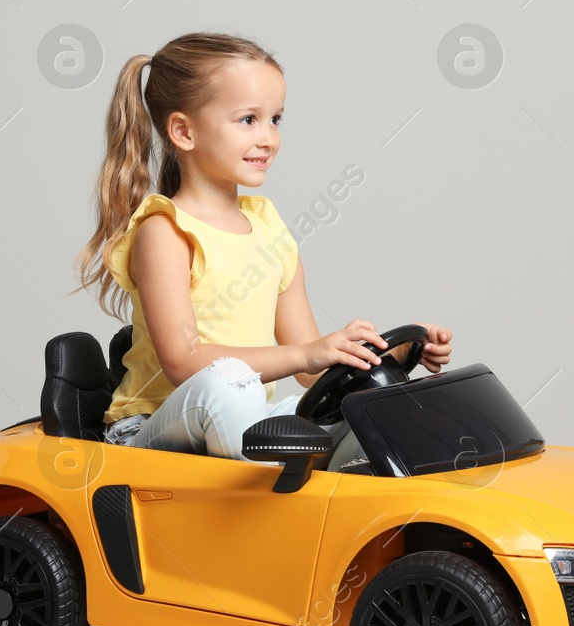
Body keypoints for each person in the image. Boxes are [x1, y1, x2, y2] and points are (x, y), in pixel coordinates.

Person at [74, 32, 452, 469]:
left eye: (276, 119)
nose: (268, 138)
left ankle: (329, 503)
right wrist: (309, 353)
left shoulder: (270, 230)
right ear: (183, 131)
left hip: (243, 422)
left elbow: (311, 369)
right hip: (154, 428)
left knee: (366, 410)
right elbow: (184, 362)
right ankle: (280, 487)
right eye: (248, 120)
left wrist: (390, 354)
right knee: (230, 384)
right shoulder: (165, 230)